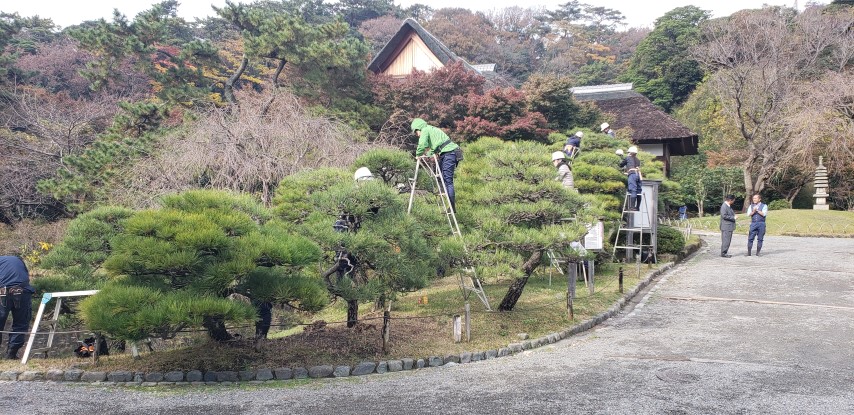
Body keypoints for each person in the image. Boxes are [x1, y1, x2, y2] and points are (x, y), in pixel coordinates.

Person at [412, 118, 461, 212]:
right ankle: (449, 203)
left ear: (418, 129)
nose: (417, 135)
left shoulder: (425, 130)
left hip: (449, 153)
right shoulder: (431, 129)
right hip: (447, 153)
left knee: (448, 180)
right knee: (442, 177)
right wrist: (427, 155)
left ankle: (452, 207)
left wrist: (418, 155)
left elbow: (422, 144)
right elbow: (435, 148)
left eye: (416, 132)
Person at [0, 255, 35, 359]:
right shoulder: (18, 260)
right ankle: (11, 354)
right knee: (21, 323)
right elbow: (26, 277)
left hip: (3, 293)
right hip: (23, 291)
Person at [618, 146, 642, 211]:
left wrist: (620, 158)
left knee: (633, 190)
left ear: (630, 152)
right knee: (638, 191)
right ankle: (637, 207)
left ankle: (632, 207)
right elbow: (633, 166)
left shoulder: (628, 158)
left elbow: (621, 164)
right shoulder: (638, 160)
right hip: (638, 175)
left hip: (633, 175)